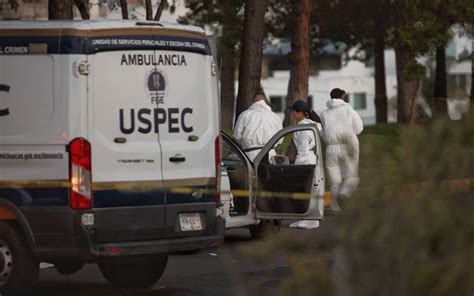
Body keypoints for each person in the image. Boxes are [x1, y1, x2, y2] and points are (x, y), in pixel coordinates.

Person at [321, 88, 363, 211]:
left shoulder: (324, 113)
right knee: (352, 177)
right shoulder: (348, 110)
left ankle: (336, 209)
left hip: (331, 149)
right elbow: (359, 128)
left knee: (335, 182)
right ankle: (343, 195)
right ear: (342, 97)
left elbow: (324, 133)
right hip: (348, 145)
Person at [287, 100, 321, 229]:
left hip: (305, 159)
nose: (292, 114)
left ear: (299, 112)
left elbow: (303, 148)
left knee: (304, 191)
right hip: (312, 159)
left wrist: (298, 165)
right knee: (311, 190)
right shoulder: (314, 124)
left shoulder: (302, 126)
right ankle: (310, 219)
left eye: (294, 111)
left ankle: (308, 220)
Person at [233, 91, 282, 161]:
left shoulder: (244, 115)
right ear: (265, 102)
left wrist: (246, 144)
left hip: (250, 155)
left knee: (252, 172)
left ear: (253, 102)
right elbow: (280, 139)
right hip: (271, 155)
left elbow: (236, 136)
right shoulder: (275, 117)